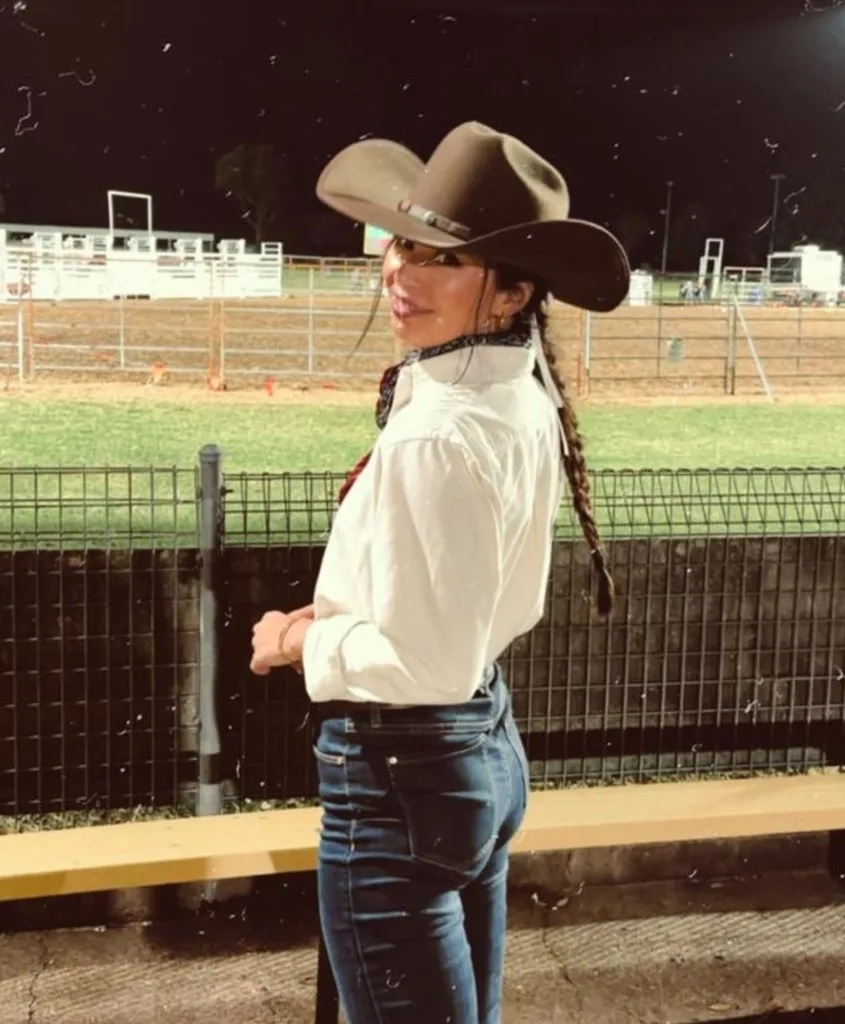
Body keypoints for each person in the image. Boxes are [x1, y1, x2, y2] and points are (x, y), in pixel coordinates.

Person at [250, 121, 630, 1023]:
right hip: (474, 756)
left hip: (402, 774)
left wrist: (302, 639)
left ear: (508, 293)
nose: (397, 271)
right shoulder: (511, 389)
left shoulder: (439, 430)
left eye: (438, 259)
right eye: (400, 245)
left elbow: (427, 665)